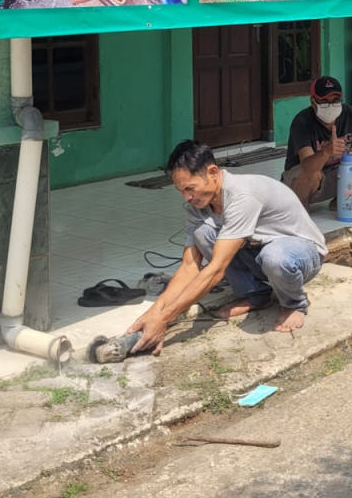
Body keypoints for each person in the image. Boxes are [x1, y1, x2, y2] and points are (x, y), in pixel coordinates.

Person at [100, 140, 327, 359]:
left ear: (212, 172)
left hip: (301, 253)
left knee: (274, 257)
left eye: (190, 188)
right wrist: (154, 313)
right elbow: (188, 267)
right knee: (204, 233)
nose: (187, 197)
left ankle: (294, 303)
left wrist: (164, 319)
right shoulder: (197, 207)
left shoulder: (241, 196)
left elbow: (217, 269)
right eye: (181, 190)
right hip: (259, 251)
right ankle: (257, 296)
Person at [282, 76, 352, 209]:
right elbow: (307, 167)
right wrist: (326, 152)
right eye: (324, 101)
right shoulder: (302, 122)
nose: (331, 106)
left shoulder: (348, 114)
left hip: (338, 174)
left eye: (335, 100)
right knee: (313, 171)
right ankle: (300, 210)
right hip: (301, 182)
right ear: (313, 102)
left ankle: (343, 201)